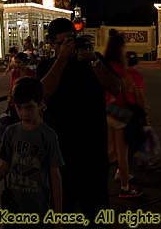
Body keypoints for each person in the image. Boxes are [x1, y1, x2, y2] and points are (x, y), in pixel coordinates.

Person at [34, 19, 115, 216]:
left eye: (71, 40)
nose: (69, 46)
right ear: (52, 44)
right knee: (63, 207)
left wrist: (93, 60)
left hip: (93, 147)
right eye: (62, 42)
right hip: (60, 150)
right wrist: (61, 59)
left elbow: (116, 87)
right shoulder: (47, 65)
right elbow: (42, 93)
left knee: (97, 208)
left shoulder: (92, 60)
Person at [0, 77, 64, 221]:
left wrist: (58, 215)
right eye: (19, 107)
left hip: (39, 209)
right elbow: (4, 167)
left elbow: (55, 176)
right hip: (13, 207)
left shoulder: (48, 136)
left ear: (40, 104)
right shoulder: (11, 132)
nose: (24, 113)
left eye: (29, 107)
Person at [102, 32, 143, 199]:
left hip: (105, 109)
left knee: (109, 150)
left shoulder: (103, 64)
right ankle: (125, 186)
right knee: (122, 153)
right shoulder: (121, 67)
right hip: (119, 111)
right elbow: (128, 90)